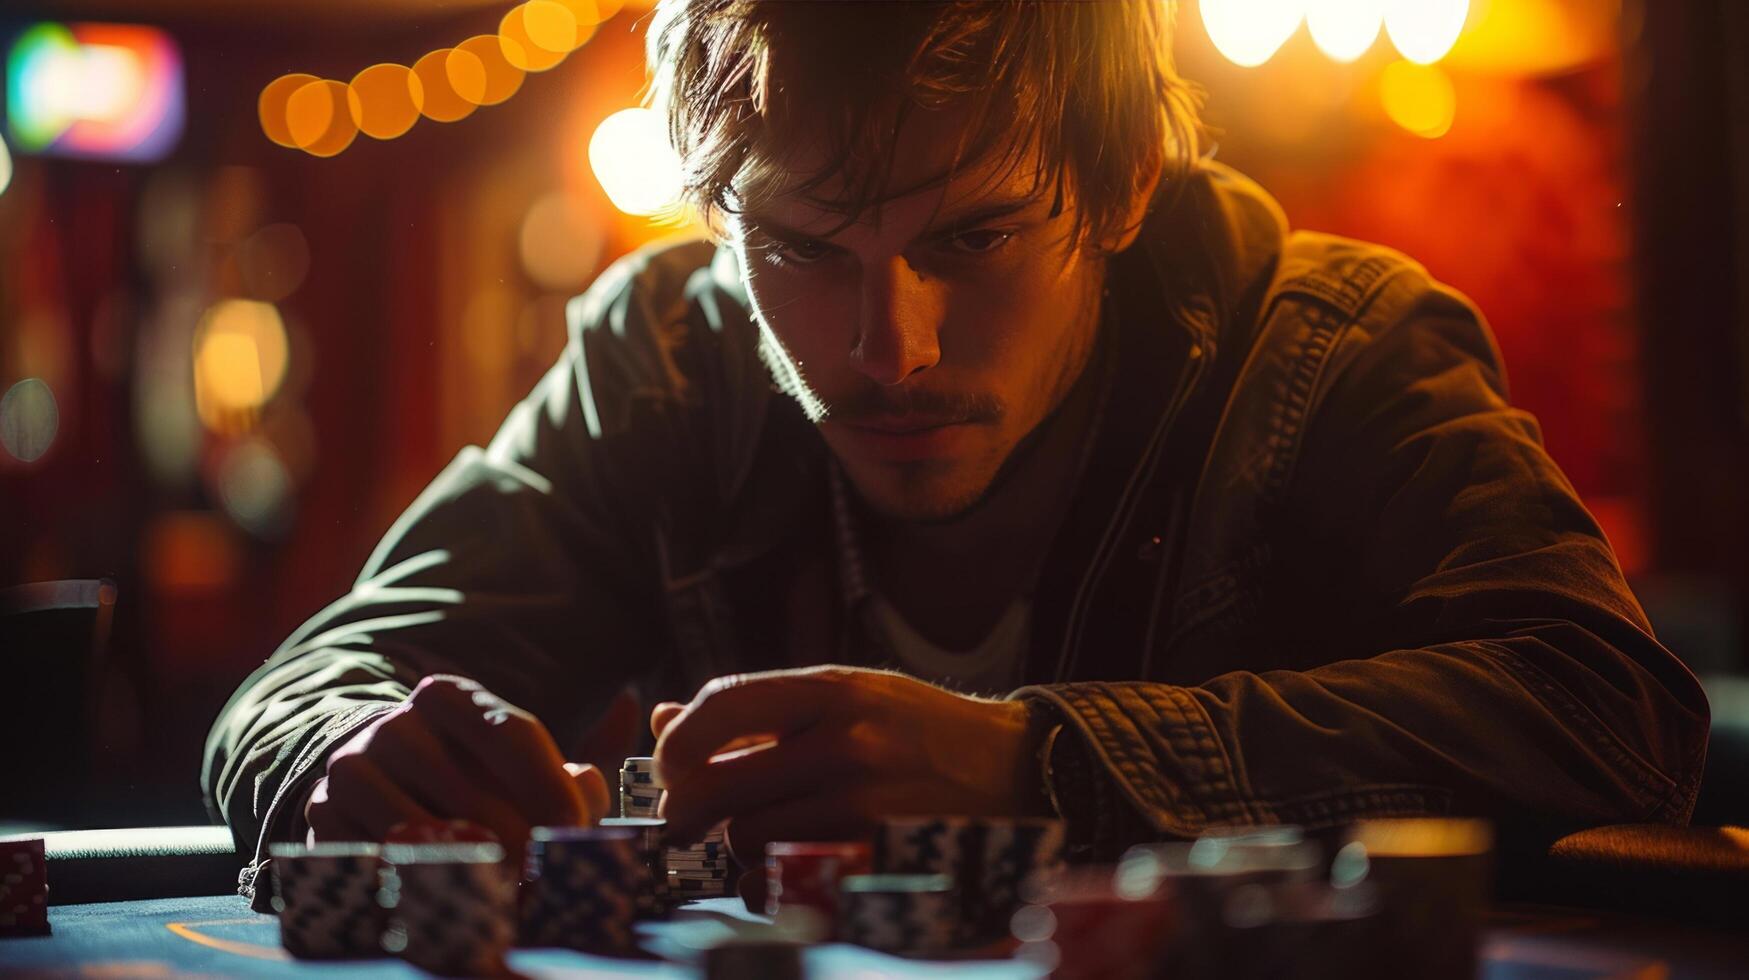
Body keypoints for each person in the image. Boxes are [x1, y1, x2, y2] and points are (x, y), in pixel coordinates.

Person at [204, 0, 1709, 911]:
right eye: (799, 249)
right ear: (720, 219)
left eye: (973, 238)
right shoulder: (666, 351)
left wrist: (1031, 765)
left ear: (1122, 184)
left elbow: (1609, 713)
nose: (888, 350)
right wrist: (344, 763)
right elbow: (299, 689)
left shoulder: (1334, 344)